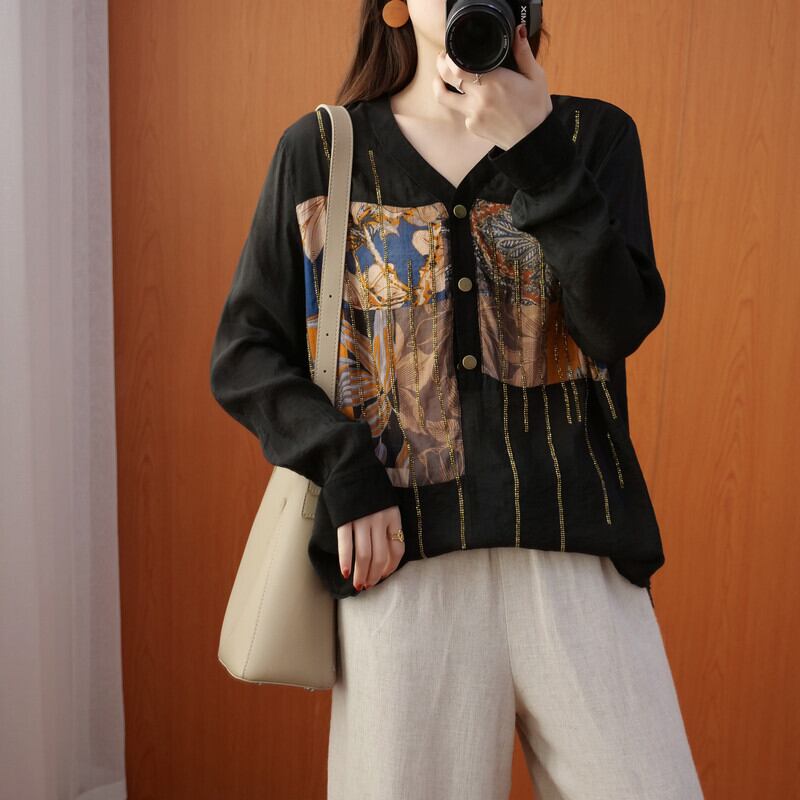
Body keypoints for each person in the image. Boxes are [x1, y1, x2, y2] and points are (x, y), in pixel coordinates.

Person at [209, 1, 705, 797]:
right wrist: (345, 468)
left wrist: (537, 150)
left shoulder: (591, 138)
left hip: (578, 563)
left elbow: (616, 327)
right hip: (403, 574)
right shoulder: (325, 151)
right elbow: (245, 355)